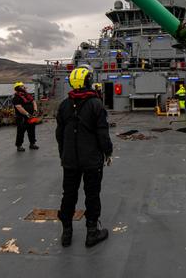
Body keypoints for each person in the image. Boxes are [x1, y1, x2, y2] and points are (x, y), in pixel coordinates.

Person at [56, 67, 113, 248]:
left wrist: (63, 155)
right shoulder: (96, 104)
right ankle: (91, 233)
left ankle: (66, 234)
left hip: (70, 160)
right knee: (92, 195)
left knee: (69, 195)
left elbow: (60, 135)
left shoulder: (64, 105)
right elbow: (102, 134)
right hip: (91, 161)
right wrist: (108, 152)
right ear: (88, 81)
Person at [13, 82, 39, 152]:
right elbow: (19, 107)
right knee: (21, 132)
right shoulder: (16, 98)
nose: (24, 87)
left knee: (32, 130)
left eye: (23, 86)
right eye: (22, 86)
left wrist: (35, 110)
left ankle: (32, 143)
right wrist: (27, 114)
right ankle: (19, 145)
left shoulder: (28, 96)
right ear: (18, 88)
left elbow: (33, 102)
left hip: (31, 116)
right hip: (22, 118)